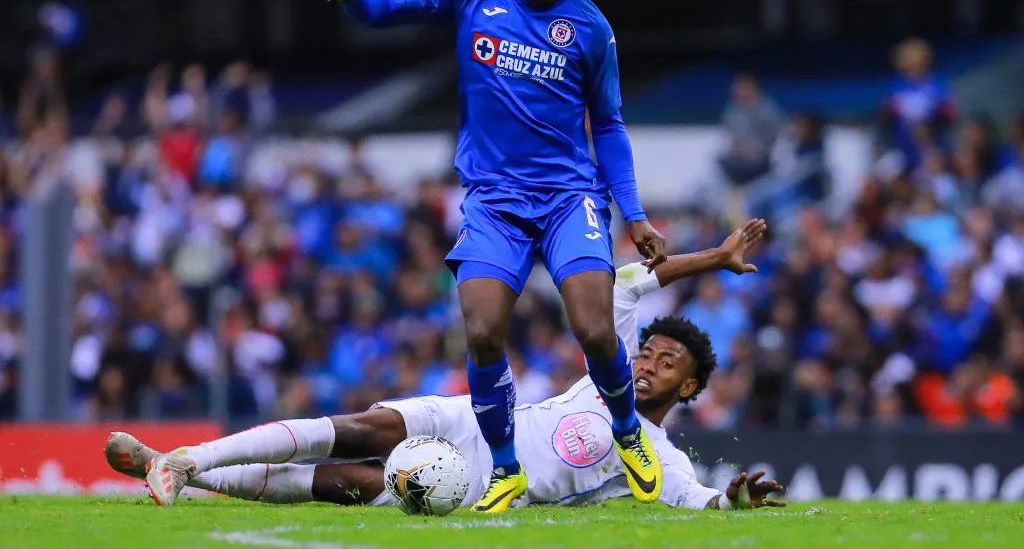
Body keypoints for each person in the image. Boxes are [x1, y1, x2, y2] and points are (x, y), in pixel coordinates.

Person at [314, 0, 667, 512]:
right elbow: (389, 8)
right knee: (480, 334)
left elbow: (607, 124)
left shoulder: (590, 28)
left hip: (568, 198)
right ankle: (505, 468)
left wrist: (633, 213)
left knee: (592, 326)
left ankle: (629, 429)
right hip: (494, 201)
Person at [116, 221, 784, 511]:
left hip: (478, 482)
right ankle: (187, 460)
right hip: (479, 418)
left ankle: (188, 477)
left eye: (667, 363)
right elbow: (630, 282)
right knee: (357, 424)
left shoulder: (662, 456)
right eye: (646, 351)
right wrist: (712, 257)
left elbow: (700, 501)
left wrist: (737, 498)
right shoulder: (600, 379)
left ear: (689, 387)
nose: (646, 364)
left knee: (342, 480)